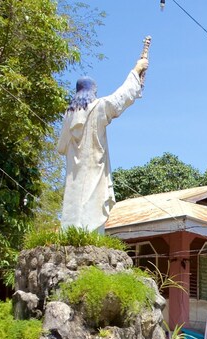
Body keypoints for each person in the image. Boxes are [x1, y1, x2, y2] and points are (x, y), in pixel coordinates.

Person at [58, 53, 150, 233]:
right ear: (92, 91)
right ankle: (88, 234)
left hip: (74, 173)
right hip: (92, 167)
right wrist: (136, 70)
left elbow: (61, 147)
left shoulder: (68, 116)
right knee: (91, 204)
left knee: (75, 202)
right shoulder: (97, 107)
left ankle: (71, 233)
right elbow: (120, 98)